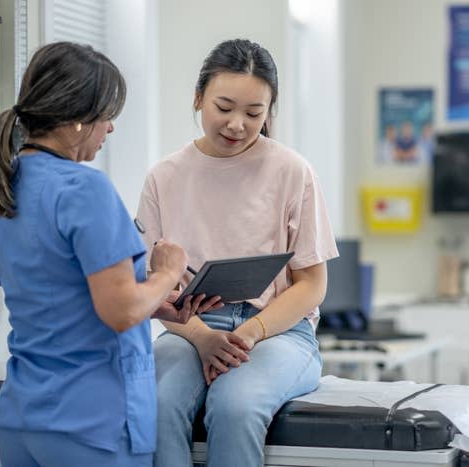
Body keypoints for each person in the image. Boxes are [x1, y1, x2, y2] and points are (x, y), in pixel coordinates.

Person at [0, 42, 215, 467]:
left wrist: (156, 307)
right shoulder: (86, 189)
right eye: (107, 116)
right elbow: (120, 312)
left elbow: (58, 301)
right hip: (92, 425)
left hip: (25, 418)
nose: (110, 129)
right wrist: (166, 272)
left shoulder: (4, 192)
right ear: (79, 120)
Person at [136, 38, 338, 467]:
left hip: (279, 332)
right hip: (188, 329)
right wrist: (203, 337)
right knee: (153, 404)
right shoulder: (164, 177)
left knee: (234, 406)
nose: (236, 125)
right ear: (198, 98)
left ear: (269, 113)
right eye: (223, 107)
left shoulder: (292, 171)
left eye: (253, 113)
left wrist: (249, 333)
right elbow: (149, 289)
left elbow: (312, 285)